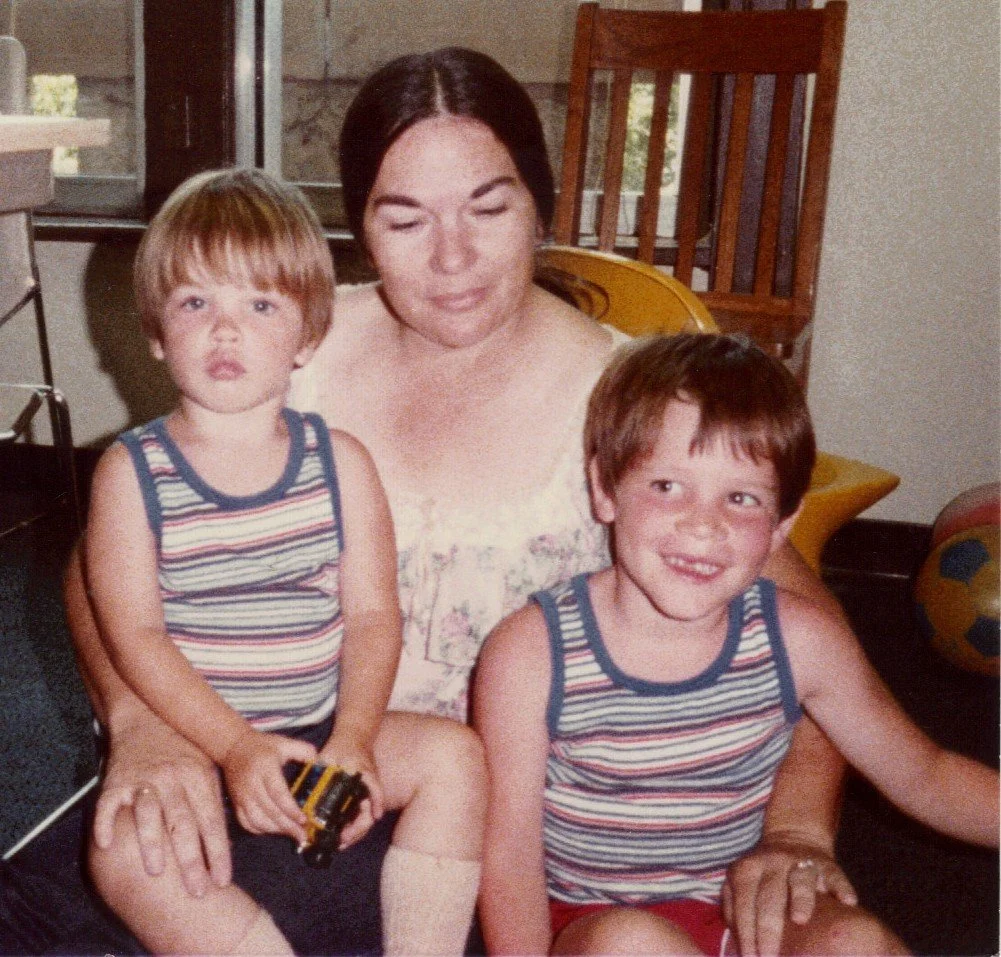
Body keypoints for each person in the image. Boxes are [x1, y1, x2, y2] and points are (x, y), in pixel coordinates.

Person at [5, 48, 855, 957]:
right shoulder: (291, 346)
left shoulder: (635, 400)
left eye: (489, 208)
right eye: (405, 219)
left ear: (541, 205)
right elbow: (102, 566)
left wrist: (798, 824)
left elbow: (805, 629)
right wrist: (142, 728)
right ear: (362, 227)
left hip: (492, 841)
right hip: (267, 760)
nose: (453, 257)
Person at [474, 333, 1000, 957]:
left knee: (855, 940)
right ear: (605, 490)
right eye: (667, 486)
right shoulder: (532, 652)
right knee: (630, 942)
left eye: (741, 497)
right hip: (584, 921)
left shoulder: (799, 637)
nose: (704, 523)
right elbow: (507, 859)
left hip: (738, 912)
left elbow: (927, 776)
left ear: (782, 525)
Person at [83, 167, 485, 956]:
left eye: (259, 305)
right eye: (195, 303)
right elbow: (136, 636)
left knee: (453, 756)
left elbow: (373, 617)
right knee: (122, 851)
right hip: (194, 739)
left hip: (320, 726)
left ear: (306, 336)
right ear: (158, 333)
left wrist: (357, 737)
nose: (224, 332)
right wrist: (232, 747)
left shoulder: (340, 463)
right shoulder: (130, 474)